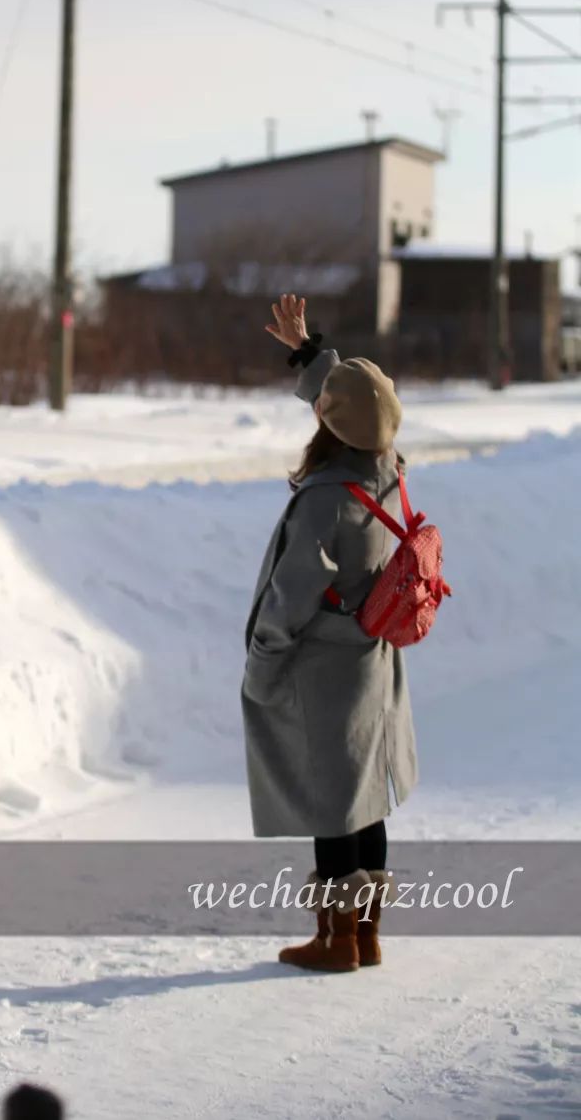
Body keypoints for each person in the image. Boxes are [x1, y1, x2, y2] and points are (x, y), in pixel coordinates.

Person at [242, 294, 417, 973]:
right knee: (365, 793)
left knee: (329, 797)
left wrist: (262, 664)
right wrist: (308, 348)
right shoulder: (386, 470)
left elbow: (290, 597)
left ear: (327, 427)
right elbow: (350, 401)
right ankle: (366, 936)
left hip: (322, 669)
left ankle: (334, 941)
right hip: (373, 659)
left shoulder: (325, 500)